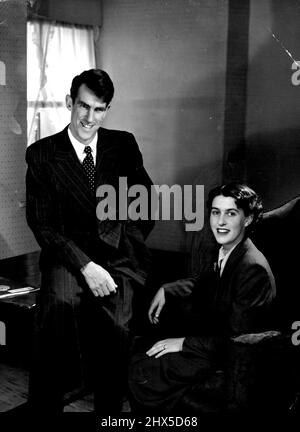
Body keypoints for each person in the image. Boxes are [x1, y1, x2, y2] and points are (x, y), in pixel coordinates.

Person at [25, 69, 155, 415]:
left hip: (116, 256)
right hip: (67, 256)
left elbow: (146, 202)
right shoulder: (41, 155)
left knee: (118, 331)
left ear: (107, 110)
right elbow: (43, 226)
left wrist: (126, 246)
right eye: (83, 107)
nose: (89, 118)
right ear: (70, 102)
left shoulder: (123, 144)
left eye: (99, 109)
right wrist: (85, 265)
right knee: (57, 314)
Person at [129, 183, 276, 413]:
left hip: (232, 356)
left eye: (231, 213)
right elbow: (204, 281)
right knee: (141, 355)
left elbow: (235, 340)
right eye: (216, 212)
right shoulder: (227, 250)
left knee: (145, 369)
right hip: (213, 342)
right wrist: (168, 288)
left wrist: (183, 343)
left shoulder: (252, 269)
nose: (220, 222)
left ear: (247, 220)